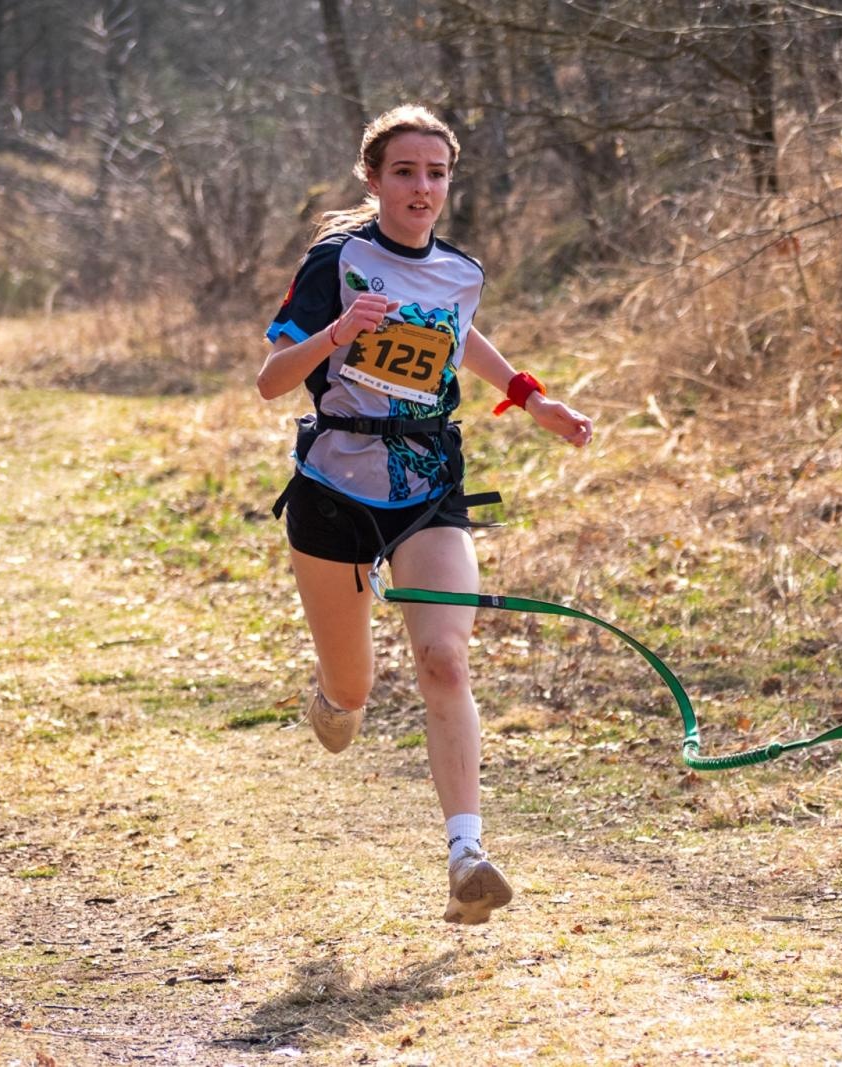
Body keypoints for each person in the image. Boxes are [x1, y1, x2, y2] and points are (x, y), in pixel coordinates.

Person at [256, 104, 594, 925]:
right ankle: (334, 696)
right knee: (353, 686)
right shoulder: (338, 261)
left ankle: (466, 856)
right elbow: (271, 379)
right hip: (334, 485)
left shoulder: (460, 272)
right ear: (373, 180)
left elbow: (461, 336)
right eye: (404, 172)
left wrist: (532, 398)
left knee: (444, 658)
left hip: (427, 479)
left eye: (436, 173)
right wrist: (337, 332)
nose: (422, 187)